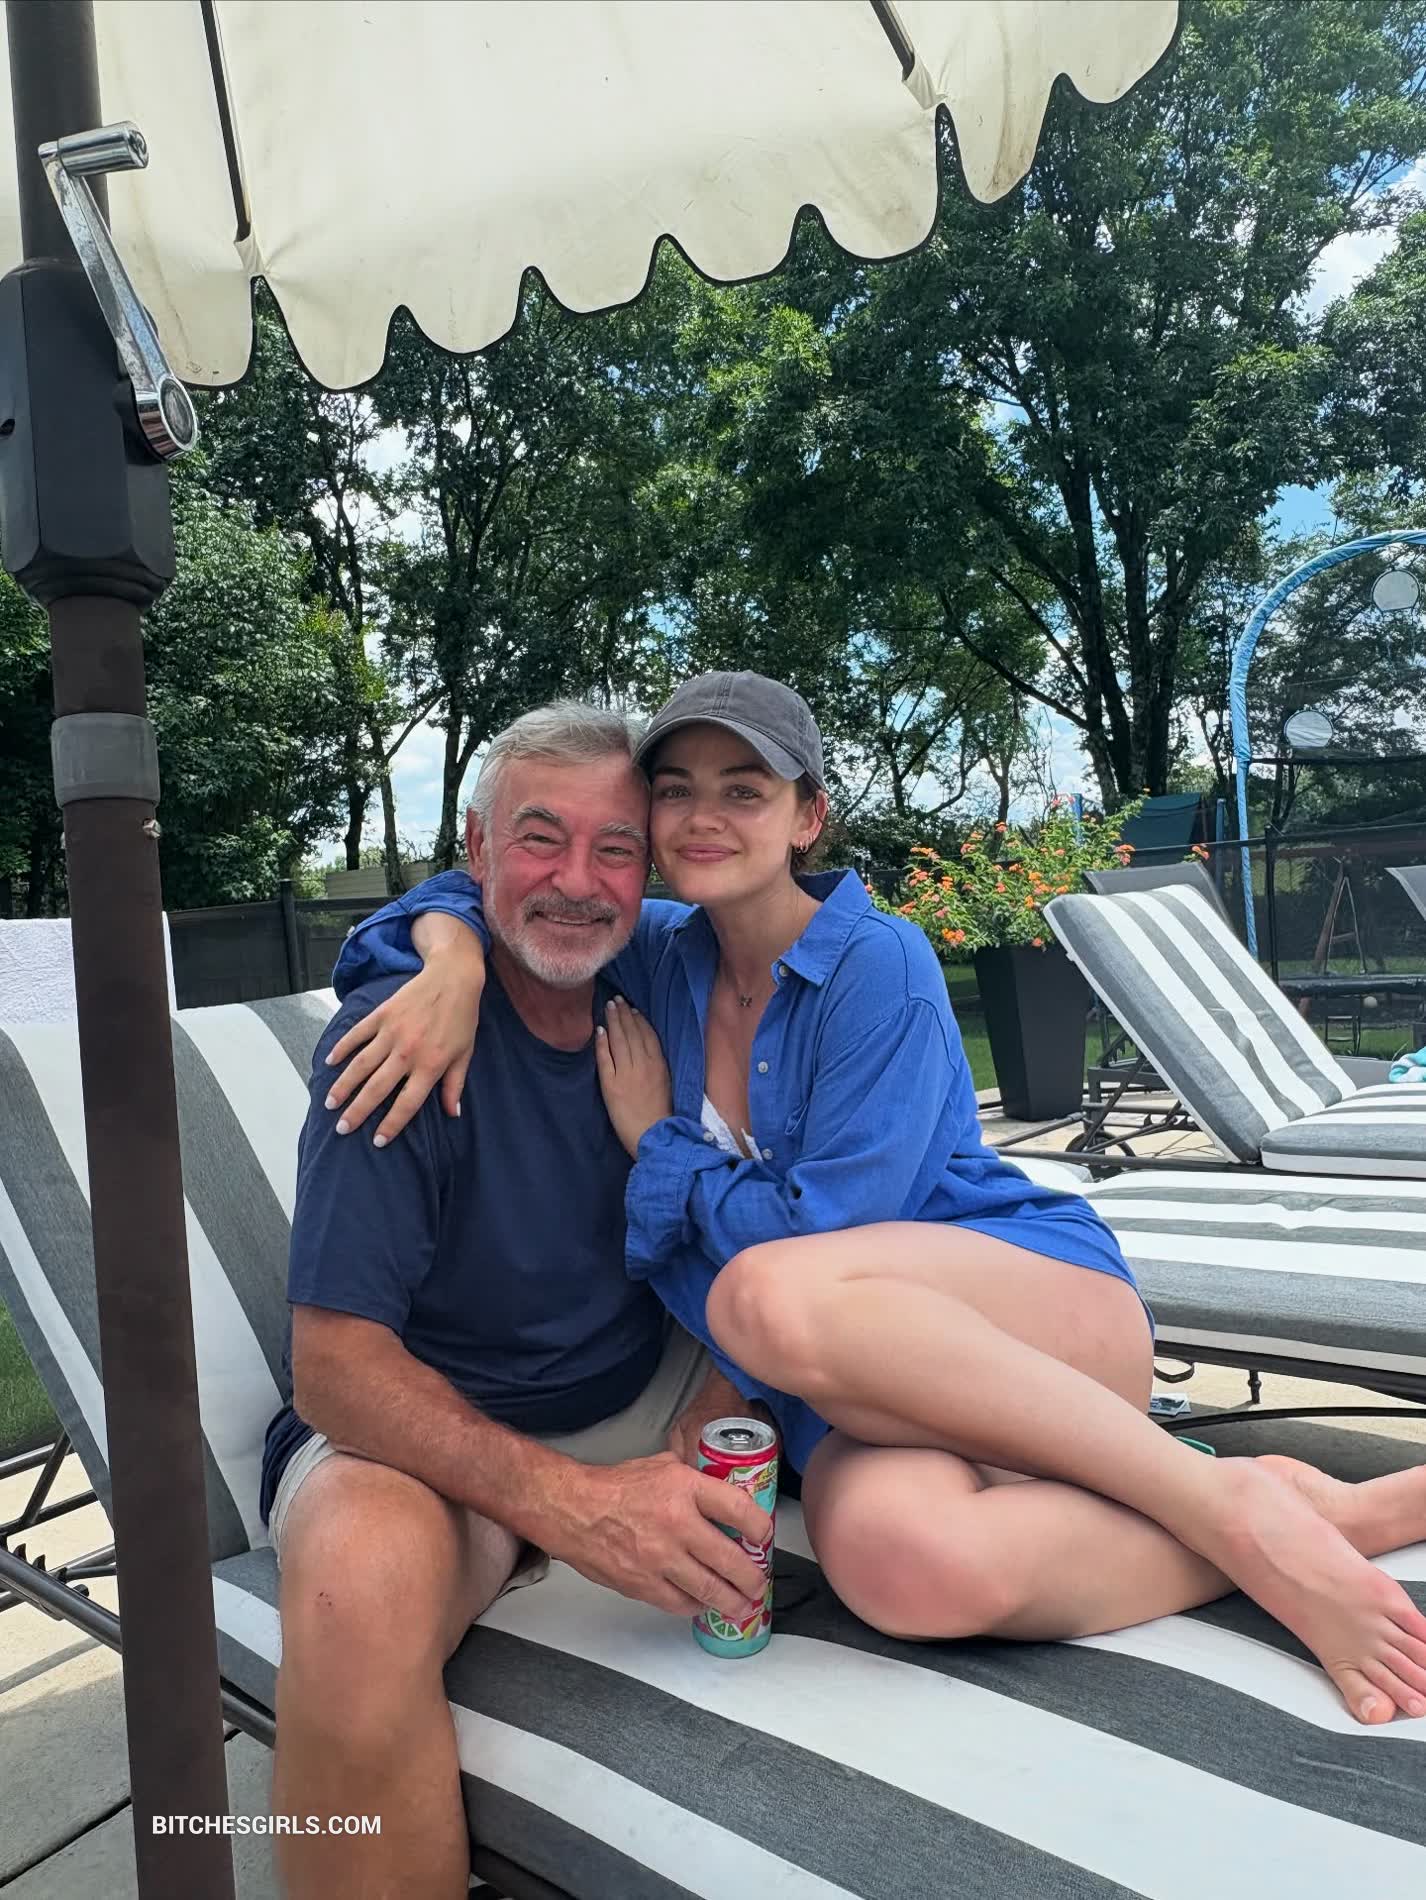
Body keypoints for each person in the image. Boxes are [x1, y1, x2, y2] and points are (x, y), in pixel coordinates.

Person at [330, 670, 1426, 1736]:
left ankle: (1225, 1507)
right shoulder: (656, 956)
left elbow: (823, 1237)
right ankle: (1322, 1512)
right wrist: (450, 964)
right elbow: (469, 891)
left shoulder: (878, 964)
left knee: (763, 1289)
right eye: (676, 790)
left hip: (1032, 1318)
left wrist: (658, 1145)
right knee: (902, 1566)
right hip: (840, 1387)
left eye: (744, 790)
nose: (704, 816)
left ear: (807, 817)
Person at [259, 702, 773, 1900]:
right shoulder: (399, 1038)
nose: (578, 882)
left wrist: (724, 1384)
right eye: (540, 838)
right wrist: (573, 1506)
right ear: (478, 849)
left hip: (649, 1382)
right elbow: (335, 1367)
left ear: (648, 874)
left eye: (615, 849)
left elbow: (812, 945)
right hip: (435, 1430)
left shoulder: (668, 977)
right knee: (351, 1586)